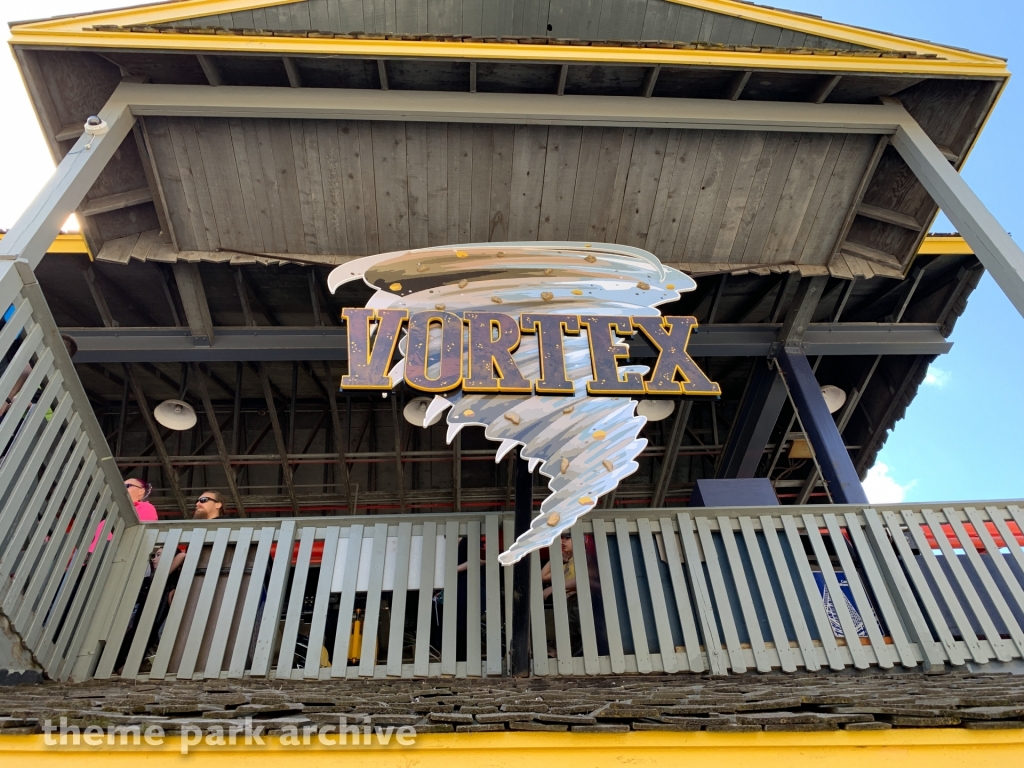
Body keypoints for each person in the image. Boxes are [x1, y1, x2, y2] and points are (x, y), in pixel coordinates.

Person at [88, 479, 157, 554]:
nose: (121, 489)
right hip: (92, 555)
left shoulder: (147, 507)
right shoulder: (114, 511)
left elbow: (136, 533)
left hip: (111, 553)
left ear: (141, 491)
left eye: (126, 486)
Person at [541, 535, 583, 657]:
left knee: (581, 633)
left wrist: (555, 587)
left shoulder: (583, 557)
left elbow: (583, 579)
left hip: (578, 599)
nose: (562, 541)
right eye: (561, 538)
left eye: (567, 538)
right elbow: (543, 576)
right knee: (572, 636)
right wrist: (559, 557)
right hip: (568, 601)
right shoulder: (566, 564)